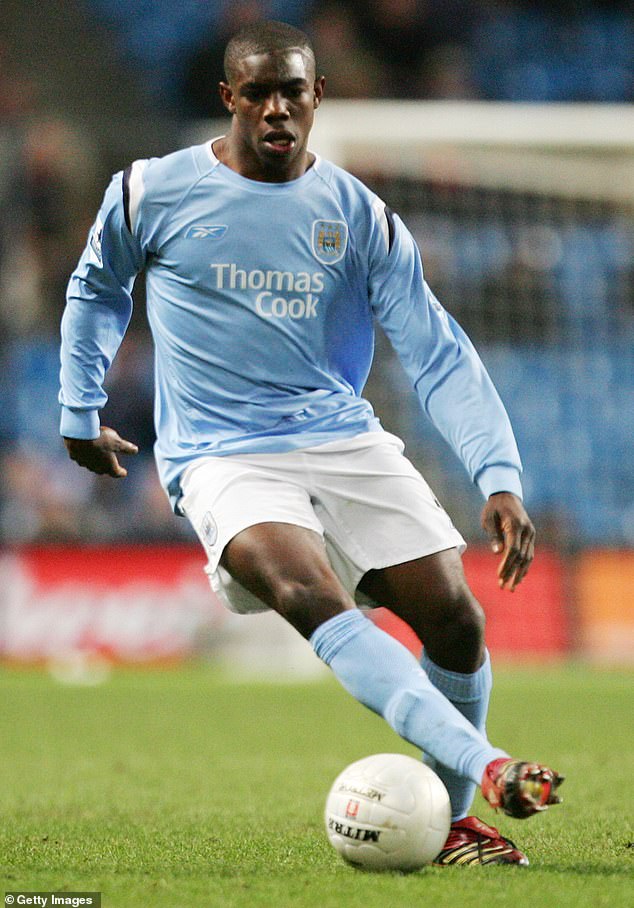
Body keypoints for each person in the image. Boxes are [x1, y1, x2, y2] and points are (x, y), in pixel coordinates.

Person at [59, 20, 563, 866]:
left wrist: (498, 474)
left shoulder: (359, 215)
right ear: (229, 99)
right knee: (307, 591)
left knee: (457, 621)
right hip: (221, 455)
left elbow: (437, 351)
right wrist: (79, 410)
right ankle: (490, 766)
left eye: (293, 90)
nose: (277, 108)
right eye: (257, 92)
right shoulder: (151, 191)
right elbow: (96, 291)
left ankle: (453, 823)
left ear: (317, 95)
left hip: (338, 437)